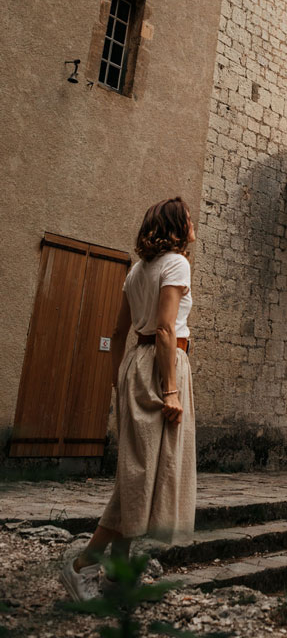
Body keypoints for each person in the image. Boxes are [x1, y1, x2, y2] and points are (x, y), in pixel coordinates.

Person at [61, 196, 197, 601]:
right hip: (162, 366)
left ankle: (116, 577)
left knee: (139, 471)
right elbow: (164, 329)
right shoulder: (177, 262)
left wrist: (119, 384)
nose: (193, 223)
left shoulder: (137, 270)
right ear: (175, 224)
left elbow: (119, 332)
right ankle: (83, 564)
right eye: (188, 218)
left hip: (136, 366)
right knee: (140, 474)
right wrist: (170, 389)